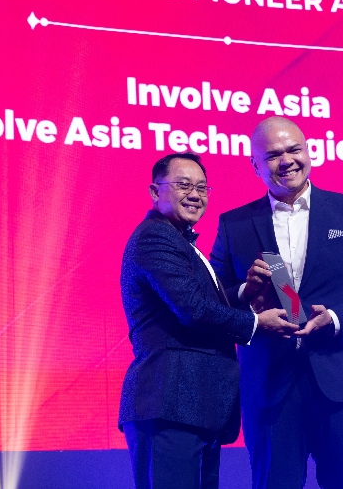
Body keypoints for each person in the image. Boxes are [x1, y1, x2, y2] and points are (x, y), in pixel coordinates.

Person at [210, 117, 343, 489]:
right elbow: (213, 300)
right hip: (269, 386)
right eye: (273, 155)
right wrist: (246, 294)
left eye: (294, 149)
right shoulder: (234, 224)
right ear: (255, 165)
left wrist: (335, 316)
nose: (286, 161)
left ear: (308, 151)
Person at [119, 152, 300, 489]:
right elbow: (192, 309)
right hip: (169, 403)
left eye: (202, 188)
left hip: (195, 405)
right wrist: (258, 324)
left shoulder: (179, 240)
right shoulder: (155, 238)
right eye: (184, 185)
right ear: (155, 192)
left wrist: (246, 294)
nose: (195, 194)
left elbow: (198, 302)